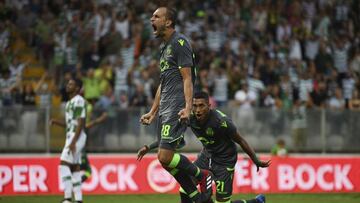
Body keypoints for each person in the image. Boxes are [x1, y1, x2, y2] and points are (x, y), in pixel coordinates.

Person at [138, 91, 270, 203]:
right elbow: (169, 139)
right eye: (194, 106)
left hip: (225, 161)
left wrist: (255, 160)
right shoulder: (189, 117)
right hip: (207, 156)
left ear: (209, 106)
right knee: (185, 189)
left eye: (201, 106)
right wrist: (149, 147)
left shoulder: (222, 122)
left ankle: (256, 201)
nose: (197, 110)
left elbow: (241, 141)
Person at [139, 7, 211, 203]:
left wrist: (188, 107)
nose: (151, 19)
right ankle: (196, 197)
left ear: (168, 22)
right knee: (165, 161)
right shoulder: (164, 48)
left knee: (164, 156)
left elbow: (187, 78)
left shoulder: (180, 43)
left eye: (156, 16)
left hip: (177, 106)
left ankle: (201, 175)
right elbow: (163, 83)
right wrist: (153, 112)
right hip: (164, 109)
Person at [50, 78, 86, 203]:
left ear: (77, 88)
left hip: (76, 136)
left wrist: (73, 142)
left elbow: (81, 123)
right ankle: (79, 200)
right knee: (75, 167)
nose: (68, 85)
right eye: (68, 83)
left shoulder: (79, 100)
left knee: (63, 164)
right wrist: (57, 122)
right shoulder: (69, 102)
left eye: (71, 84)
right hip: (72, 135)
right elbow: (70, 124)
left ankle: (67, 198)